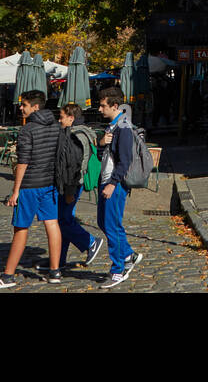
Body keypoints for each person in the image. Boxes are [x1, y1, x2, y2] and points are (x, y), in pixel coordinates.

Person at [0, 90, 63, 289]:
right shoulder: (56, 126)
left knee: (21, 228)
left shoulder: (28, 130)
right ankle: (55, 270)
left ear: (35, 107)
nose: (21, 108)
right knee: (52, 224)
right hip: (50, 182)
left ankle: (8, 275)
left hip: (30, 184)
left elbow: (23, 162)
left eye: (24, 105)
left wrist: (15, 190)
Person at [47, 103, 103, 272]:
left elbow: (73, 166)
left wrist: (70, 191)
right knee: (64, 220)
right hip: (71, 184)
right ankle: (58, 260)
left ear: (71, 118)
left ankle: (90, 242)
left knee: (62, 221)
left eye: (62, 117)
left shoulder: (75, 136)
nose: (59, 120)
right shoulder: (82, 131)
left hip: (71, 185)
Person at [96, 86, 141, 286]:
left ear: (115, 106)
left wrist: (113, 183)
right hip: (106, 180)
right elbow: (103, 155)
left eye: (102, 105)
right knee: (103, 222)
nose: (99, 109)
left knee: (112, 225)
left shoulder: (123, 128)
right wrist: (100, 143)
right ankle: (128, 254)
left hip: (114, 183)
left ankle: (118, 270)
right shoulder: (112, 127)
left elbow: (125, 160)